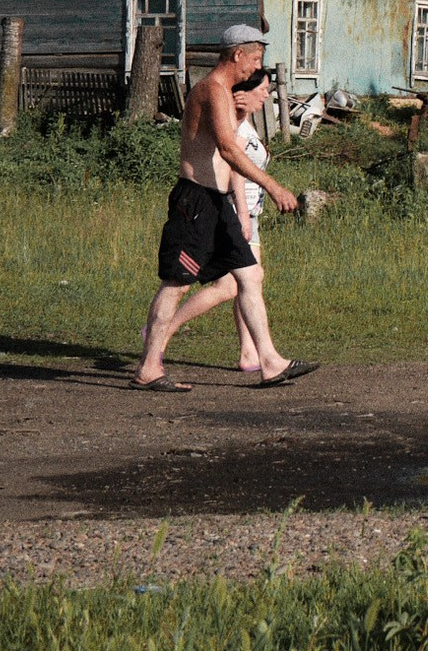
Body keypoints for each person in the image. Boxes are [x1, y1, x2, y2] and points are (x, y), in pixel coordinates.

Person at [132, 25, 316, 390]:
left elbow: (229, 151)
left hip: (218, 204)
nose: (256, 68)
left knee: (250, 276)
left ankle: (269, 361)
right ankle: (149, 367)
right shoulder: (211, 89)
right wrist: (272, 185)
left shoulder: (225, 93)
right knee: (176, 284)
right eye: (255, 59)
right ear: (237, 55)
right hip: (195, 201)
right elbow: (230, 149)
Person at [141, 71, 277, 375]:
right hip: (224, 209)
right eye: (264, 89)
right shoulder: (232, 121)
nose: (267, 95)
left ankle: (253, 354)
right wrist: (242, 212)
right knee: (218, 284)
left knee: (248, 280)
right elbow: (232, 167)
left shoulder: (244, 121)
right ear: (246, 90)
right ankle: (162, 335)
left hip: (245, 213)